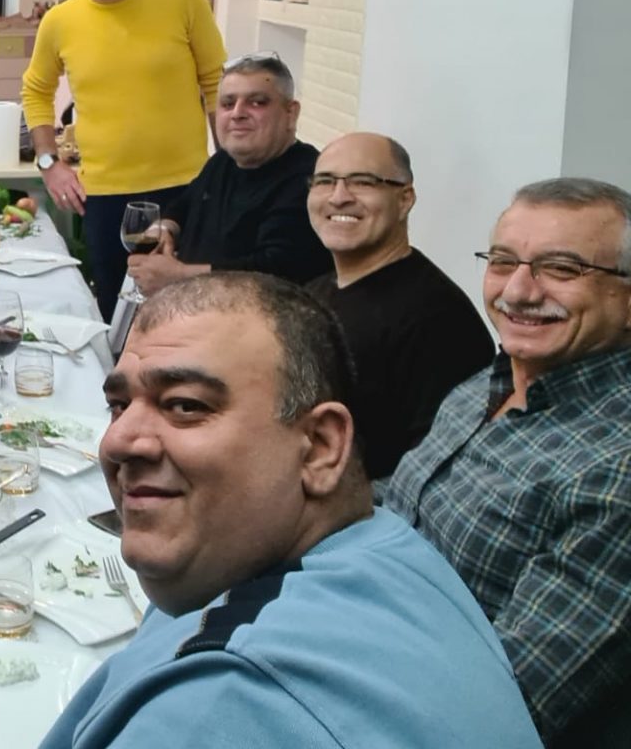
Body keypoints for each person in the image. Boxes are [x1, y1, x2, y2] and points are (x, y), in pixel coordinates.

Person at [40, 273, 541, 749]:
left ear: (320, 447)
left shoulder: (226, 701)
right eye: (120, 406)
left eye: (186, 405)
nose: (118, 441)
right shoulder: (392, 552)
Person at [385, 178, 631, 746]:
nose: (517, 292)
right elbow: (403, 501)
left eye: (561, 268)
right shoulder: (489, 382)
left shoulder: (617, 470)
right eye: (502, 262)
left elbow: (498, 708)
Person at [23, 0, 226, 321]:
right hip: (105, 196)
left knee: (190, 312)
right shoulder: (60, 21)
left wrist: (227, 168)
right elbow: (36, 90)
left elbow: (216, 83)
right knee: (118, 315)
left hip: (186, 188)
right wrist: (49, 164)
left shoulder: (183, 0)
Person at [303, 132, 494, 478]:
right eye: (325, 181)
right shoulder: (315, 291)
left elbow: (439, 468)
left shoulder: (440, 320)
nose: (339, 197)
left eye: (363, 182)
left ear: (405, 200)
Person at [127, 53, 329, 296]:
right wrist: (165, 228)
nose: (237, 113)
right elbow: (186, 203)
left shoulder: (310, 178)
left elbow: (277, 270)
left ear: (291, 113)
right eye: (227, 103)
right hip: (193, 305)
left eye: (257, 102)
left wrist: (179, 277)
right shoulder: (224, 161)